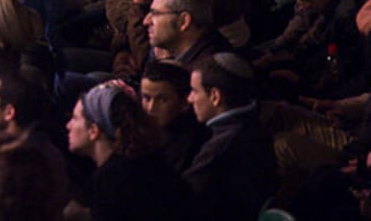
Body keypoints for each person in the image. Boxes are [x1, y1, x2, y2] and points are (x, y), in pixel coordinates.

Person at [66, 82, 194, 220]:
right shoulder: (147, 162)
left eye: (75, 118)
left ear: (93, 131)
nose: (68, 125)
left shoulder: (113, 182)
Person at [185, 54, 279, 220]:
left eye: (194, 91)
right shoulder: (253, 126)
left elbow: (179, 200)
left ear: (215, 96)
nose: (189, 99)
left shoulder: (220, 147)